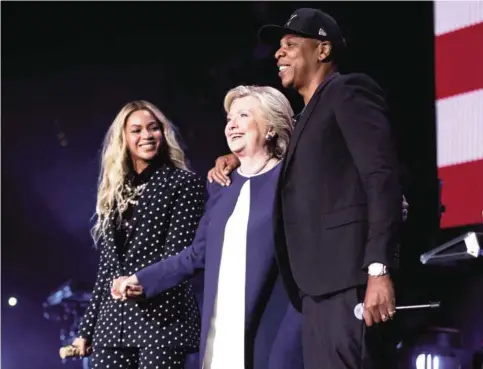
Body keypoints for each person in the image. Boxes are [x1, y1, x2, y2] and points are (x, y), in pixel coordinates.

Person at [207, 8, 403, 369]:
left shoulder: (347, 91)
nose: (278, 54)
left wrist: (378, 268)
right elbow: (291, 166)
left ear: (323, 50)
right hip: (315, 289)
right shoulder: (305, 119)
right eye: (278, 47)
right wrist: (236, 158)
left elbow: (381, 177)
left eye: (290, 44)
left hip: (350, 280)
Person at [112, 86, 304, 369]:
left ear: (272, 128)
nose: (232, 124)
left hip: (275, 326)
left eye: (243, 115)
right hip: (221, 328)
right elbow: (198, 253)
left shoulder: (292, 179)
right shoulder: (221, 184)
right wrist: (142, 279)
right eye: (229, 118)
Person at [72, 100, 205, 369]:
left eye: (153, 128)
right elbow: (108, 268)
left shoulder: (183, 184)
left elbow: (180, 256)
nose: (146, 135)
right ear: (123, 138)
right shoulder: (114, 191)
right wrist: (87, 329)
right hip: (113, 324)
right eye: (136, 130)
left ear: (163, 133)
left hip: (161, 320)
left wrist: (141, 283)